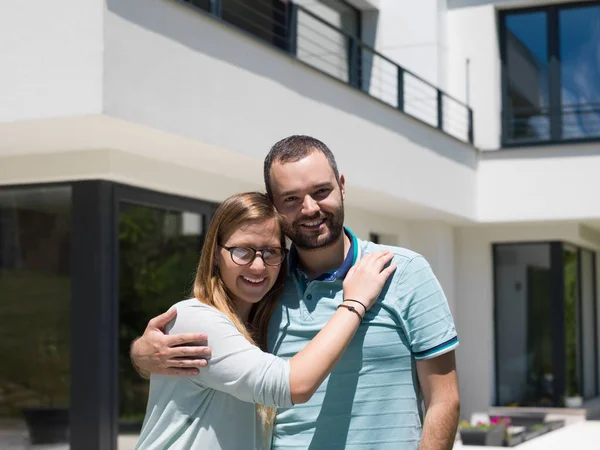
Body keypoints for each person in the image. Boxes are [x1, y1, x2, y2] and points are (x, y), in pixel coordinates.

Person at [131, 136, 461, 450]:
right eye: (291, 198)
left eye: (321, 191)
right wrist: (142, 354)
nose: (309, 208)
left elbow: (444, 399)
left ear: (342, 187)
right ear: (274, 205)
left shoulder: (403, 271)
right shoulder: (264, 287)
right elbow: (232, 357)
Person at [133, 191, 395, 450]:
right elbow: (293, 386)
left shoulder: (260, 326)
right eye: (242, 251)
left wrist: (139, 356)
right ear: (214, 253)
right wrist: (354, 303)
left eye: (270, 252)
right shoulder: (197, 319)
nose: (258, 266)